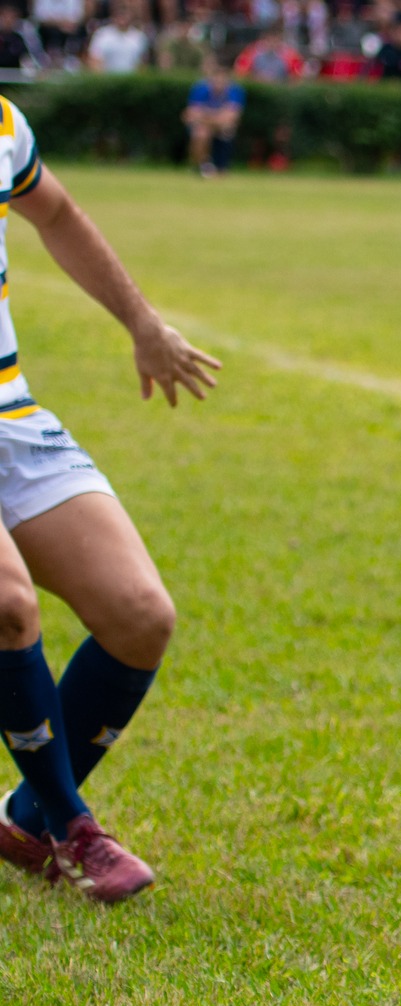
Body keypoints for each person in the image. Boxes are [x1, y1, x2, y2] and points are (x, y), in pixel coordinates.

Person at [0, 95, 222, 901]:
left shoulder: (2, 124)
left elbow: (55, 212)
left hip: (9, 412)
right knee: (8, 602)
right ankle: (71, 827)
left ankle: (25, 816)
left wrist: (142, 322)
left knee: (139, 615)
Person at [182, 57, 243, 176]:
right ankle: (202, 166)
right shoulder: (200, 88)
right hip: (205, 125)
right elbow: (190, 114)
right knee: (201, 133)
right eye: (216, 77)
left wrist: (205, 116)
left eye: (223, 77)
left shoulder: (235, 90)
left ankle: (221, 166)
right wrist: (217, 117)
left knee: (226, 129)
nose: (219, 80)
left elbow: (232, 117)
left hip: (215, 125)